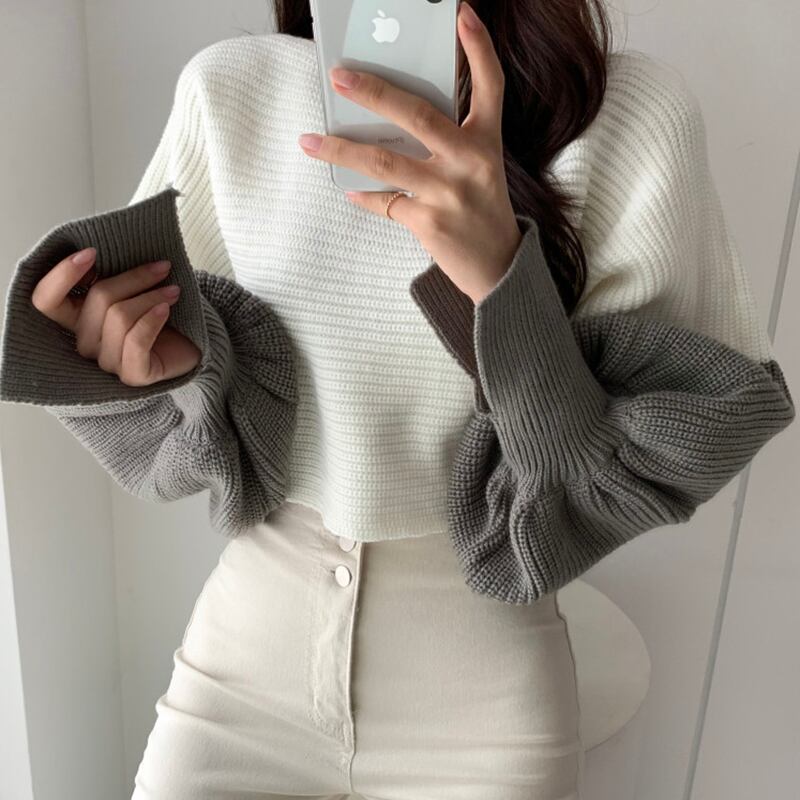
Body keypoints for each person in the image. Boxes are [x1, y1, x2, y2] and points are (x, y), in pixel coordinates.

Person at [0, 1, 793, 798]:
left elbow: (634, 466)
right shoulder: (234, 90)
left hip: (483, 711)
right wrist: (157, 361)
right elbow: (194, 432)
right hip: (244, 672)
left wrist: (503, 280)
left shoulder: (631, 119)